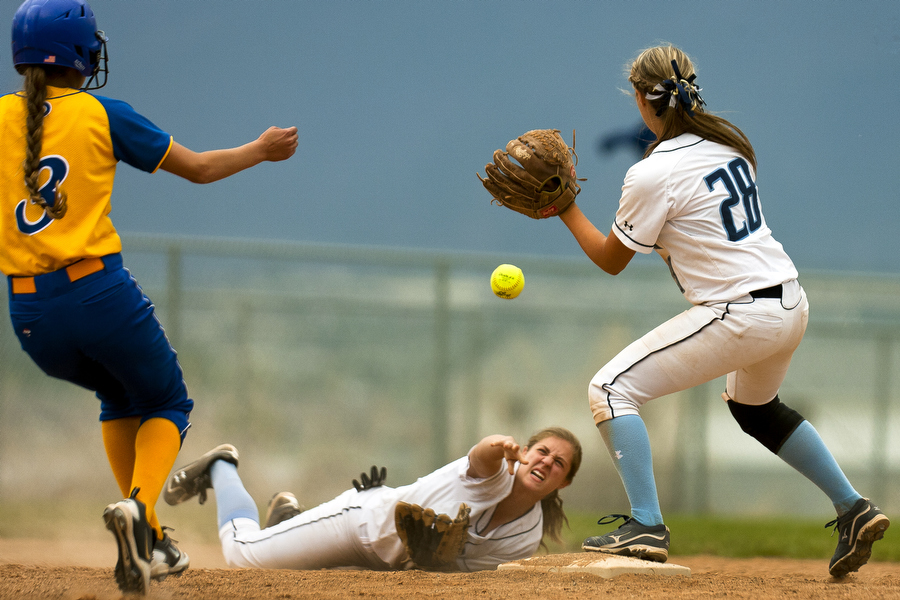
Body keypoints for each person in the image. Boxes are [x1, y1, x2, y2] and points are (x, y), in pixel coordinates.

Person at [555, 44, 889, 577]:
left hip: (741, 313)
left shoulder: (652, 172)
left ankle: (646, 524)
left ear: (642, 101)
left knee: (611, 390)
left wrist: (565, 208)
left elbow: (612, 260)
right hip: (790, 302)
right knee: (754, 407)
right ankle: (853, 508)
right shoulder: (728, 146)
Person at [1, 0, 298, 594]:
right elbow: (199, 169)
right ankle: (141, 513)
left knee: (118, 395)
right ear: (82, 55)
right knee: (169, 400)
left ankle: (153, 540)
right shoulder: (100, 114)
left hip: (29, 313)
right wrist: (260, 150)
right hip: (96, 291)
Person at [163, 427, 582, 572]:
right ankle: (221, 465)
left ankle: (288, 520)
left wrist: (438, 562)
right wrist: (498, 443)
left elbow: (458, 578)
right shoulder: (494, 474)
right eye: (541, 451)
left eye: (559, 463)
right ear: (524, 453)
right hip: (359, 526)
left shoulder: (526, 538)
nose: (546, 461)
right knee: (240, 555)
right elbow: (483, 454)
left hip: (380, 564)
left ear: (563, 483)